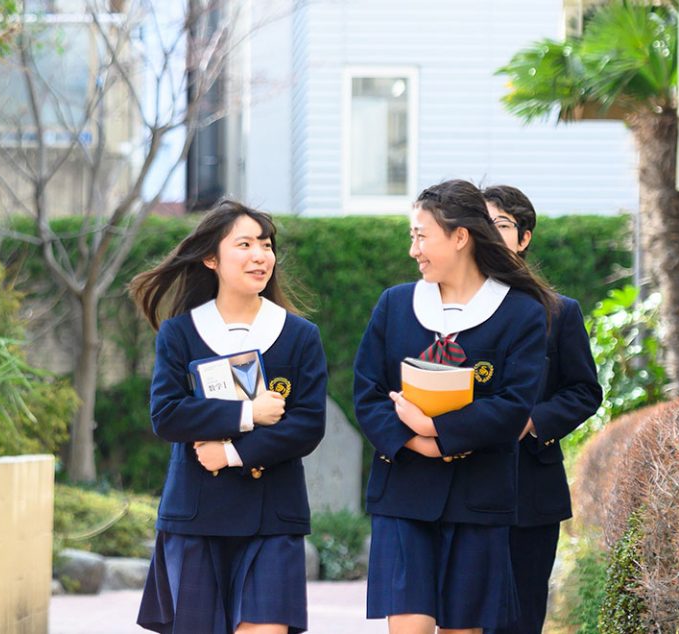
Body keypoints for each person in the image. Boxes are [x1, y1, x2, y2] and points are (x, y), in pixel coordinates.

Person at [353, 179, 557, 634]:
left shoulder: (523, 313)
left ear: (460, 237)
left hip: (478, 498)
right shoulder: (395, 304)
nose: (414, 250)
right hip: (403, 491)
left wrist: (437, 431)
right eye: (413, 236)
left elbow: (512, 406)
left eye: (421, 236)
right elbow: (368, 392)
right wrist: (416, 441)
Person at [130, 200, 328, 634]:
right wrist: (247, 412)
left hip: (273, 512)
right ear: (211, 258)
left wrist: (234, 454)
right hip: (196, 514)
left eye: (266, 244)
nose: (260, 255)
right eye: (245, 244)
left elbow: (308, 425)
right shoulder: (180, 332)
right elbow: (168, 415)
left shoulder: (299, 335)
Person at [479, 185, 602, 634]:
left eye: (502, 225)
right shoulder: (443, 309)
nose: (490, 233)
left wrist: (533, 421)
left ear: (524, 238)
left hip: (529, 488)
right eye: (481, 224)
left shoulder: (558, 312)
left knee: (521, 618)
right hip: (459, 482)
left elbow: (584, 390)